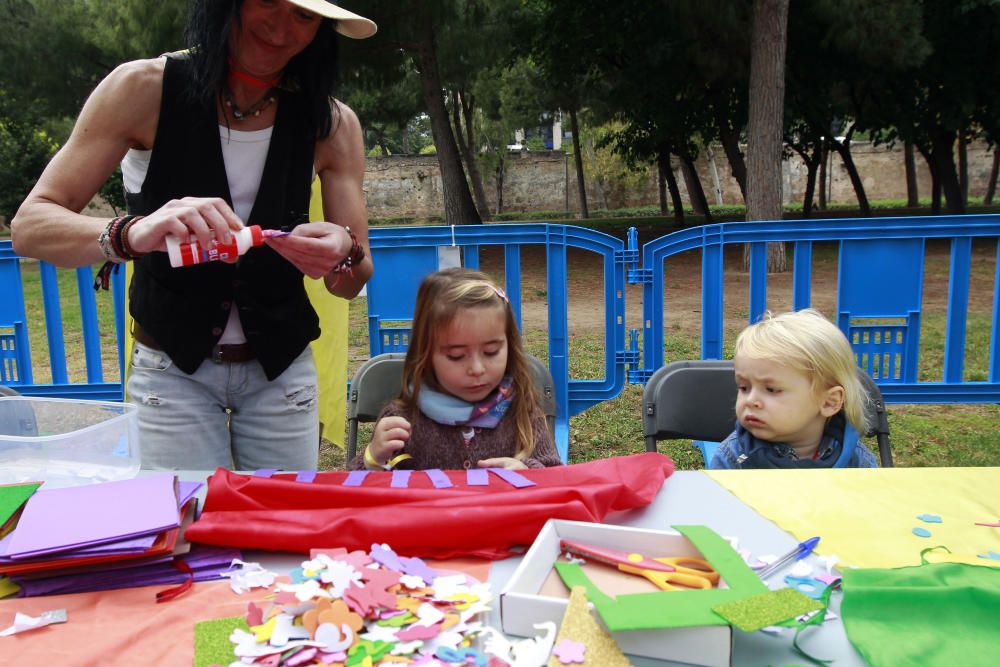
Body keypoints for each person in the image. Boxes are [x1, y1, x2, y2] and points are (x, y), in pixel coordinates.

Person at [10, 0, 377, 471]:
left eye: (304, 15)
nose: (281, 27)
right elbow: (31, 226)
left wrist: (345, 252)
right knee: (183, 528)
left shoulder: (332, 123)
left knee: (277, 533)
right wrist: (133, 232)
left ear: (320, 31)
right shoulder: (144, 89)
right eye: (267, 1)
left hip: (282, 375)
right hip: (171, 372)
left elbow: (351, 280)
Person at [350, 268, 563, 471]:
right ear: (426, 355)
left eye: (491, 352)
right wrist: (373, 459)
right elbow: (353, 492)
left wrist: (528, 471)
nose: (477, 369)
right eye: (456, 356)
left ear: (509, 346)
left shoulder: (522, 410)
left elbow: (557, 478)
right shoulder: (403, 419)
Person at [709, 309, 879, 469]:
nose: (751, 400)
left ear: (829, 402)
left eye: (772, 389)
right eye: (744, 387)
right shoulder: (733, 458)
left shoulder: (856, 462)